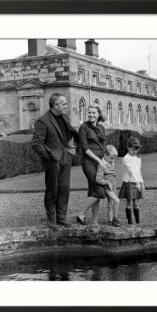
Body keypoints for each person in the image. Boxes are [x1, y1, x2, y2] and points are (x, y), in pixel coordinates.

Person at [32, 93, 79, 230]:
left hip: (66, 156)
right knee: (53, 189)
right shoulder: (43, 121)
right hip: (53, 160)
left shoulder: (65, 116)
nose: (66, 106)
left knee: (64, 189)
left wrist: (71, 150)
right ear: (55, 105)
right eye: (64, 104)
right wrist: (49, 157)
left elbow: (67, 134)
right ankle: (51, 220)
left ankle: (61, 218)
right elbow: (36, 143)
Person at [76, 105, 107, 225]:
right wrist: (99, 160)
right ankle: (81, 214)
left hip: (99, 162)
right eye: (89, 113)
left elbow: (103, 145)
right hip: (89, 162)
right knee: (99, 190)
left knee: (94, 191)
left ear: (98, 114)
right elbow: (84, 148)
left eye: (93, 113)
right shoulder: (83, 127)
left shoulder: (101, 128)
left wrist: (103, 160)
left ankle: (95, 221)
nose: (91, 115)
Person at [119, 137, 145, 224]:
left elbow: (138, 171)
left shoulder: (138, 158)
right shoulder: (126, 158)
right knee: (129, 202)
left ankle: (138, 222)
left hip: (137, 182)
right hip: (129, 182)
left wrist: (142, 182)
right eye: (133, 149)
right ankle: (130, 222)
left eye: (136, 150)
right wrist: (137, 182)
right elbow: (132, 172)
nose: (135, 152)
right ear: (128, 147)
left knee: (136, 202)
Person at [96, 145, 120, 227]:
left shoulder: (111, 163)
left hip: (113, 187)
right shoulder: (101, 165)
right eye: (111, 158)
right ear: (105, 155)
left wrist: (114, 185)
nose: (113, 160)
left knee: (111, 204)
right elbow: (98, 179)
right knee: (117, 201)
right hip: (107, 187)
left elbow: (113, 176)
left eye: (114, 159)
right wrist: (107, 182)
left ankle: (110, 221)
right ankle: (115, 219)